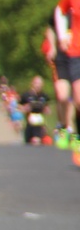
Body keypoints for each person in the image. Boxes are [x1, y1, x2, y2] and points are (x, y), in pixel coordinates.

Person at [54, 0, 80, 157]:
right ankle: (66, 128)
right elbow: (58, 12)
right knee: (70, 97)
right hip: (72, 53)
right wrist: (62, 36)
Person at [43, 9, 74, 148]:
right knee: (62, 96)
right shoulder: (61, 9)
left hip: (77, 57)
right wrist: (52, 48)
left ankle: (71, 130)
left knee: (75, 98)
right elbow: (50, 28)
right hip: (62, 58)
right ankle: (63, 126)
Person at [18, 75, 50, 145]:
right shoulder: (26, 95)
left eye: (40, 84)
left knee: (36, 141)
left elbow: (47, 108)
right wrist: (24, 108)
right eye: (36, 83)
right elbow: (19, 106)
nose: (38, 86)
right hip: (29, 123)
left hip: (40, 123)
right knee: (28, 143)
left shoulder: (44, 96)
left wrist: (46, 110)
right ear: (32, 83)